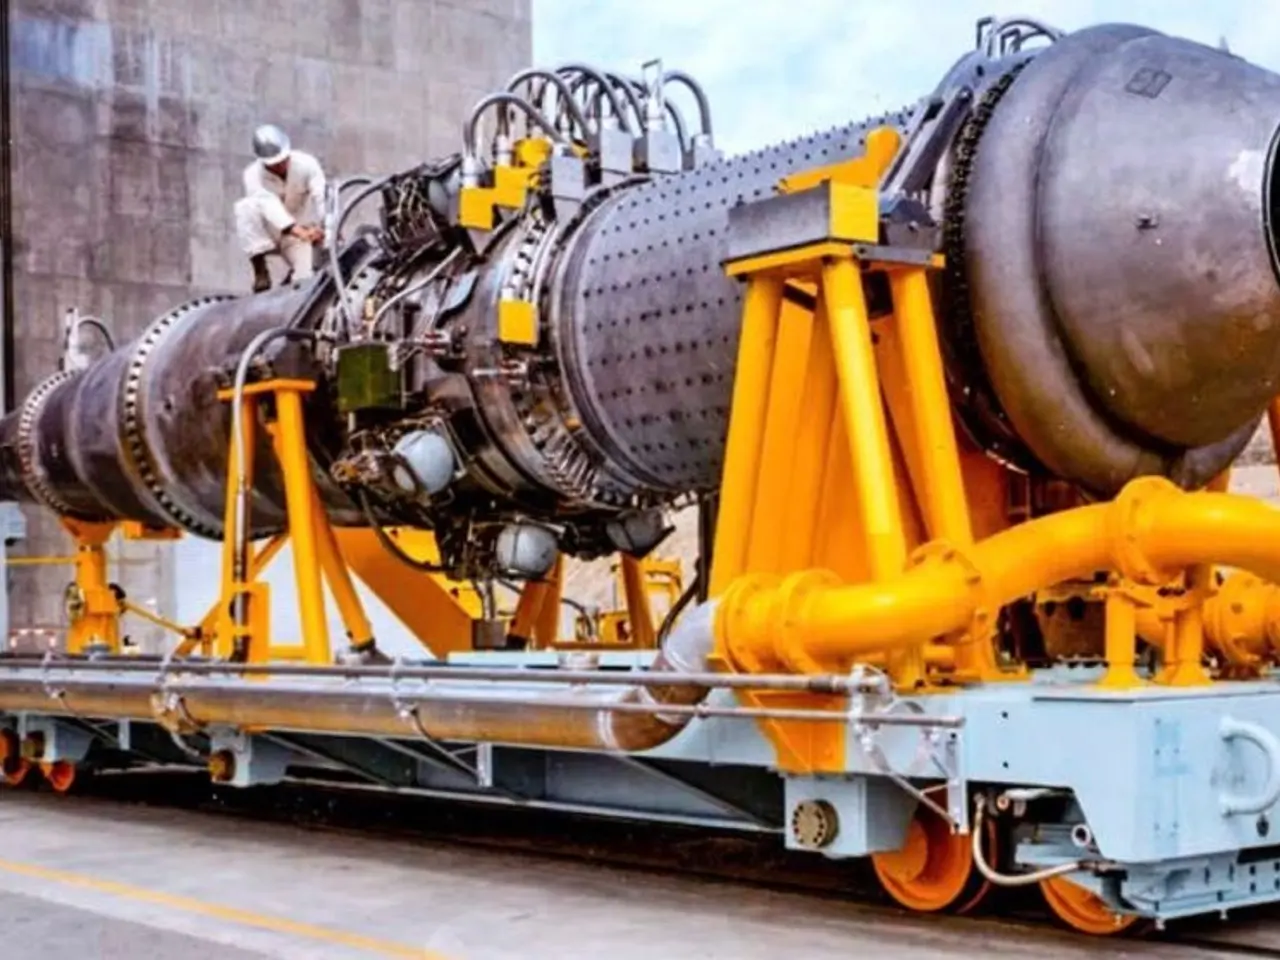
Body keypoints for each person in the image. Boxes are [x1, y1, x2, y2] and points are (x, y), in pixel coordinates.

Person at [233, 124, 327, 293]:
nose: (280, 165)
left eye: (283, 160)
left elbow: (321, 196)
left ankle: (290, 286)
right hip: (268, 232)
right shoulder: (252, 174)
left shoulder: (307, 164)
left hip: (297, 237)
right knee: (245, 208)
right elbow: (267, 203)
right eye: (274, 164)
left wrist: (326, 227)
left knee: (306, 279)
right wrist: (296, 230)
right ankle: (259, 267)